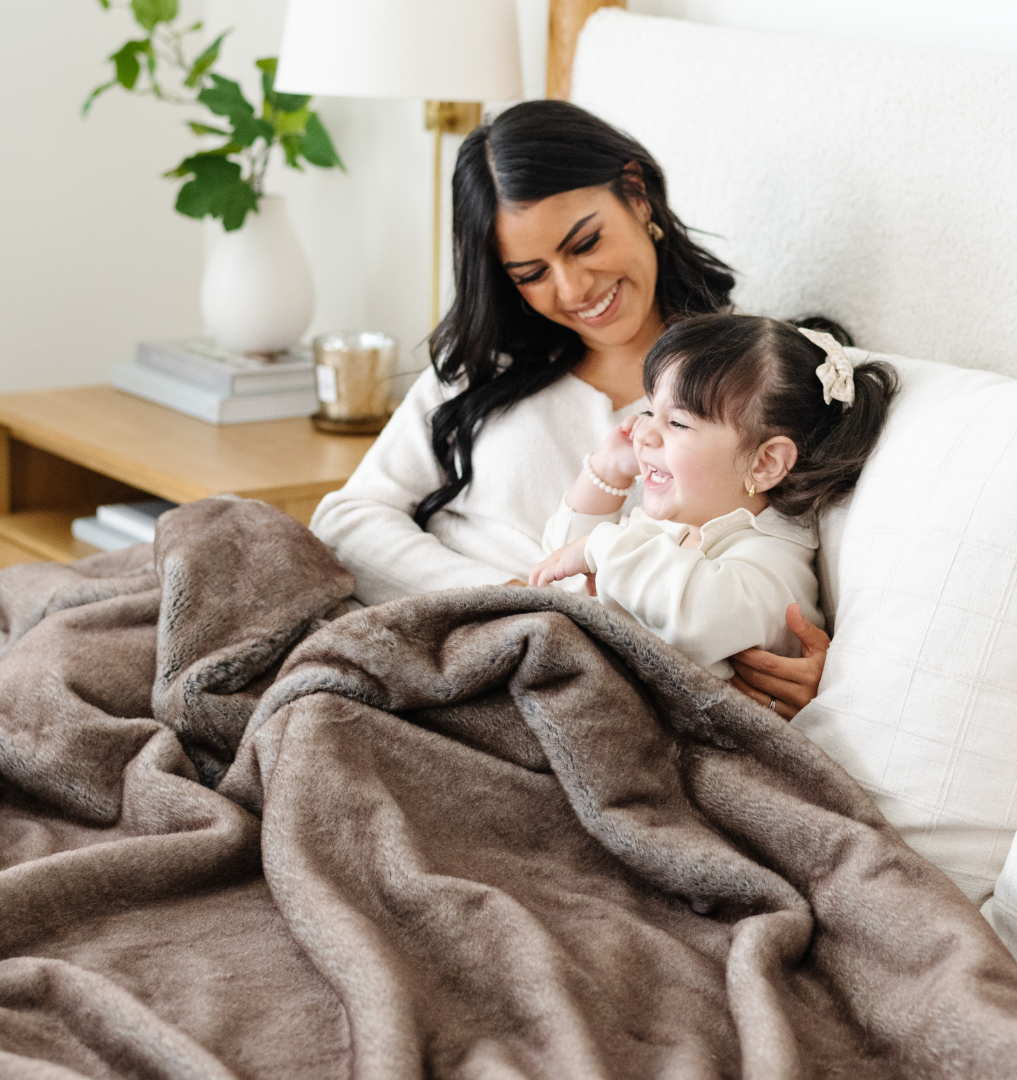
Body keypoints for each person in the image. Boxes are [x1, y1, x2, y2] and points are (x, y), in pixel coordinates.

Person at [311, 99, 830, 716]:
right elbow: (347, 521)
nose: (573, 289)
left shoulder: (750, 389)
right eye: (531, 274)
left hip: (581, 696)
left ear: (636, 195)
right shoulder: (483, 367)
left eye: (585, 243)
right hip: (443, 648)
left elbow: (788, 587)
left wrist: (816, 677)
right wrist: (505, 599)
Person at [530, 315, 897, 683]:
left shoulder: (775, 559)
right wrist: (607, 471)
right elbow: (558, 576)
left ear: (765, 463)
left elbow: (701, 615)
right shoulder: (666, 524)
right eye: (649, 411)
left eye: (677, 423)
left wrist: (603, 547)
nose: (643, 433)